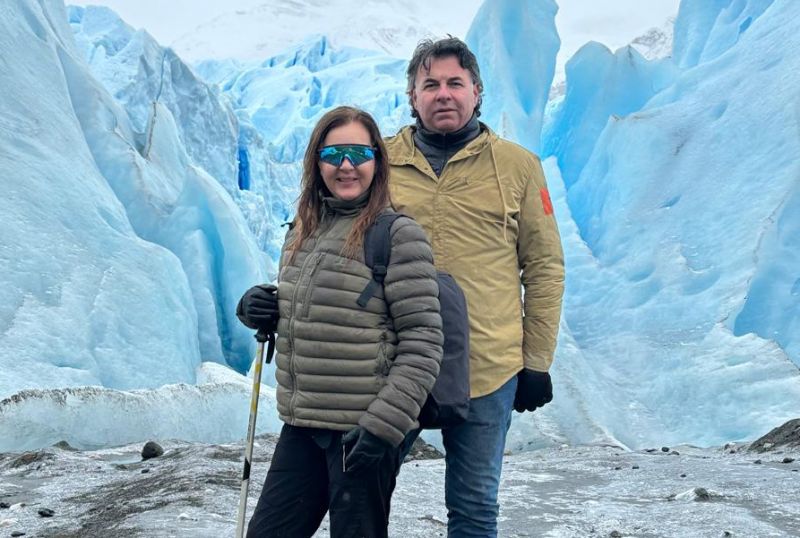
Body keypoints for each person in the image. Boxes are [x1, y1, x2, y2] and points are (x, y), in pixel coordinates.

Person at [386, 37, 565, 537]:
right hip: (395, 361)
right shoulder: (380, 161)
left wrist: (537, 363)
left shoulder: (518, 167)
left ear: (477, 91)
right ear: (413, 96)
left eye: (455, 83)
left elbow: (545, 266)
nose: (444, 94)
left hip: (488, 367)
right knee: (363, 491)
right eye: (431, 84)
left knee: (474, 507)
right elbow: (332, 239)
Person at [237, 105, 443, 538]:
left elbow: (423, 342)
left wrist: (383, 427)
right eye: (333, 155)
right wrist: (255, 307)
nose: (346, 166)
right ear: (316, 162)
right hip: (304, 424)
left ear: (376, 160)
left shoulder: (398, 234)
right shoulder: (304, 229)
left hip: (361, 432)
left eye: (357, 153)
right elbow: (317, 309)